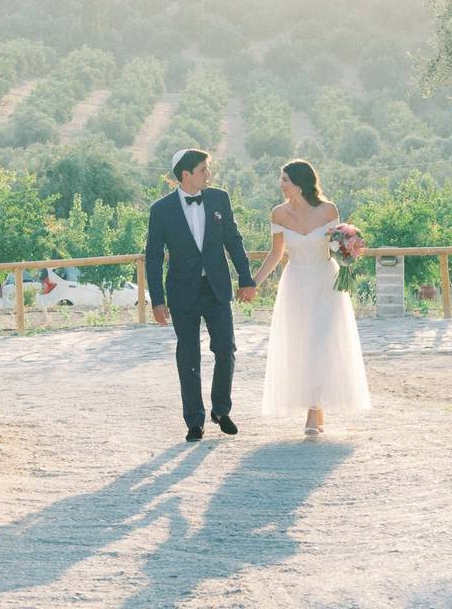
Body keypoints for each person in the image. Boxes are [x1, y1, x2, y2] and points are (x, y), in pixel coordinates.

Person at [145, 148, 257, 442]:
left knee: (226, 350)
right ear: (186, 175)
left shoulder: (220, 199)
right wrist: (156, 301)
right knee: (188, 354)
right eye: (203, 170)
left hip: (217, 287)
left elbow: (233, 241)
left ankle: (221, 410)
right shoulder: (161, 210)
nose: (209, 175)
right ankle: (194, 420)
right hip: (182, 293)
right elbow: (154, 257)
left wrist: (246, 279)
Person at [253, 160, 371, 435]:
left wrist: (349, 250)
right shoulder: (278, 214)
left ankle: (314, 410)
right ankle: (313, 406)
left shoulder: (328, 210)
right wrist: (254, 282)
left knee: (321, 341)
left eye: (285, 180)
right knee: (301, 343)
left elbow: (337, 246)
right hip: (295, 282)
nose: (281, 185)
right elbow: (276, 254)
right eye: (281, 179)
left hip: (325, 280)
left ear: (301, 182)